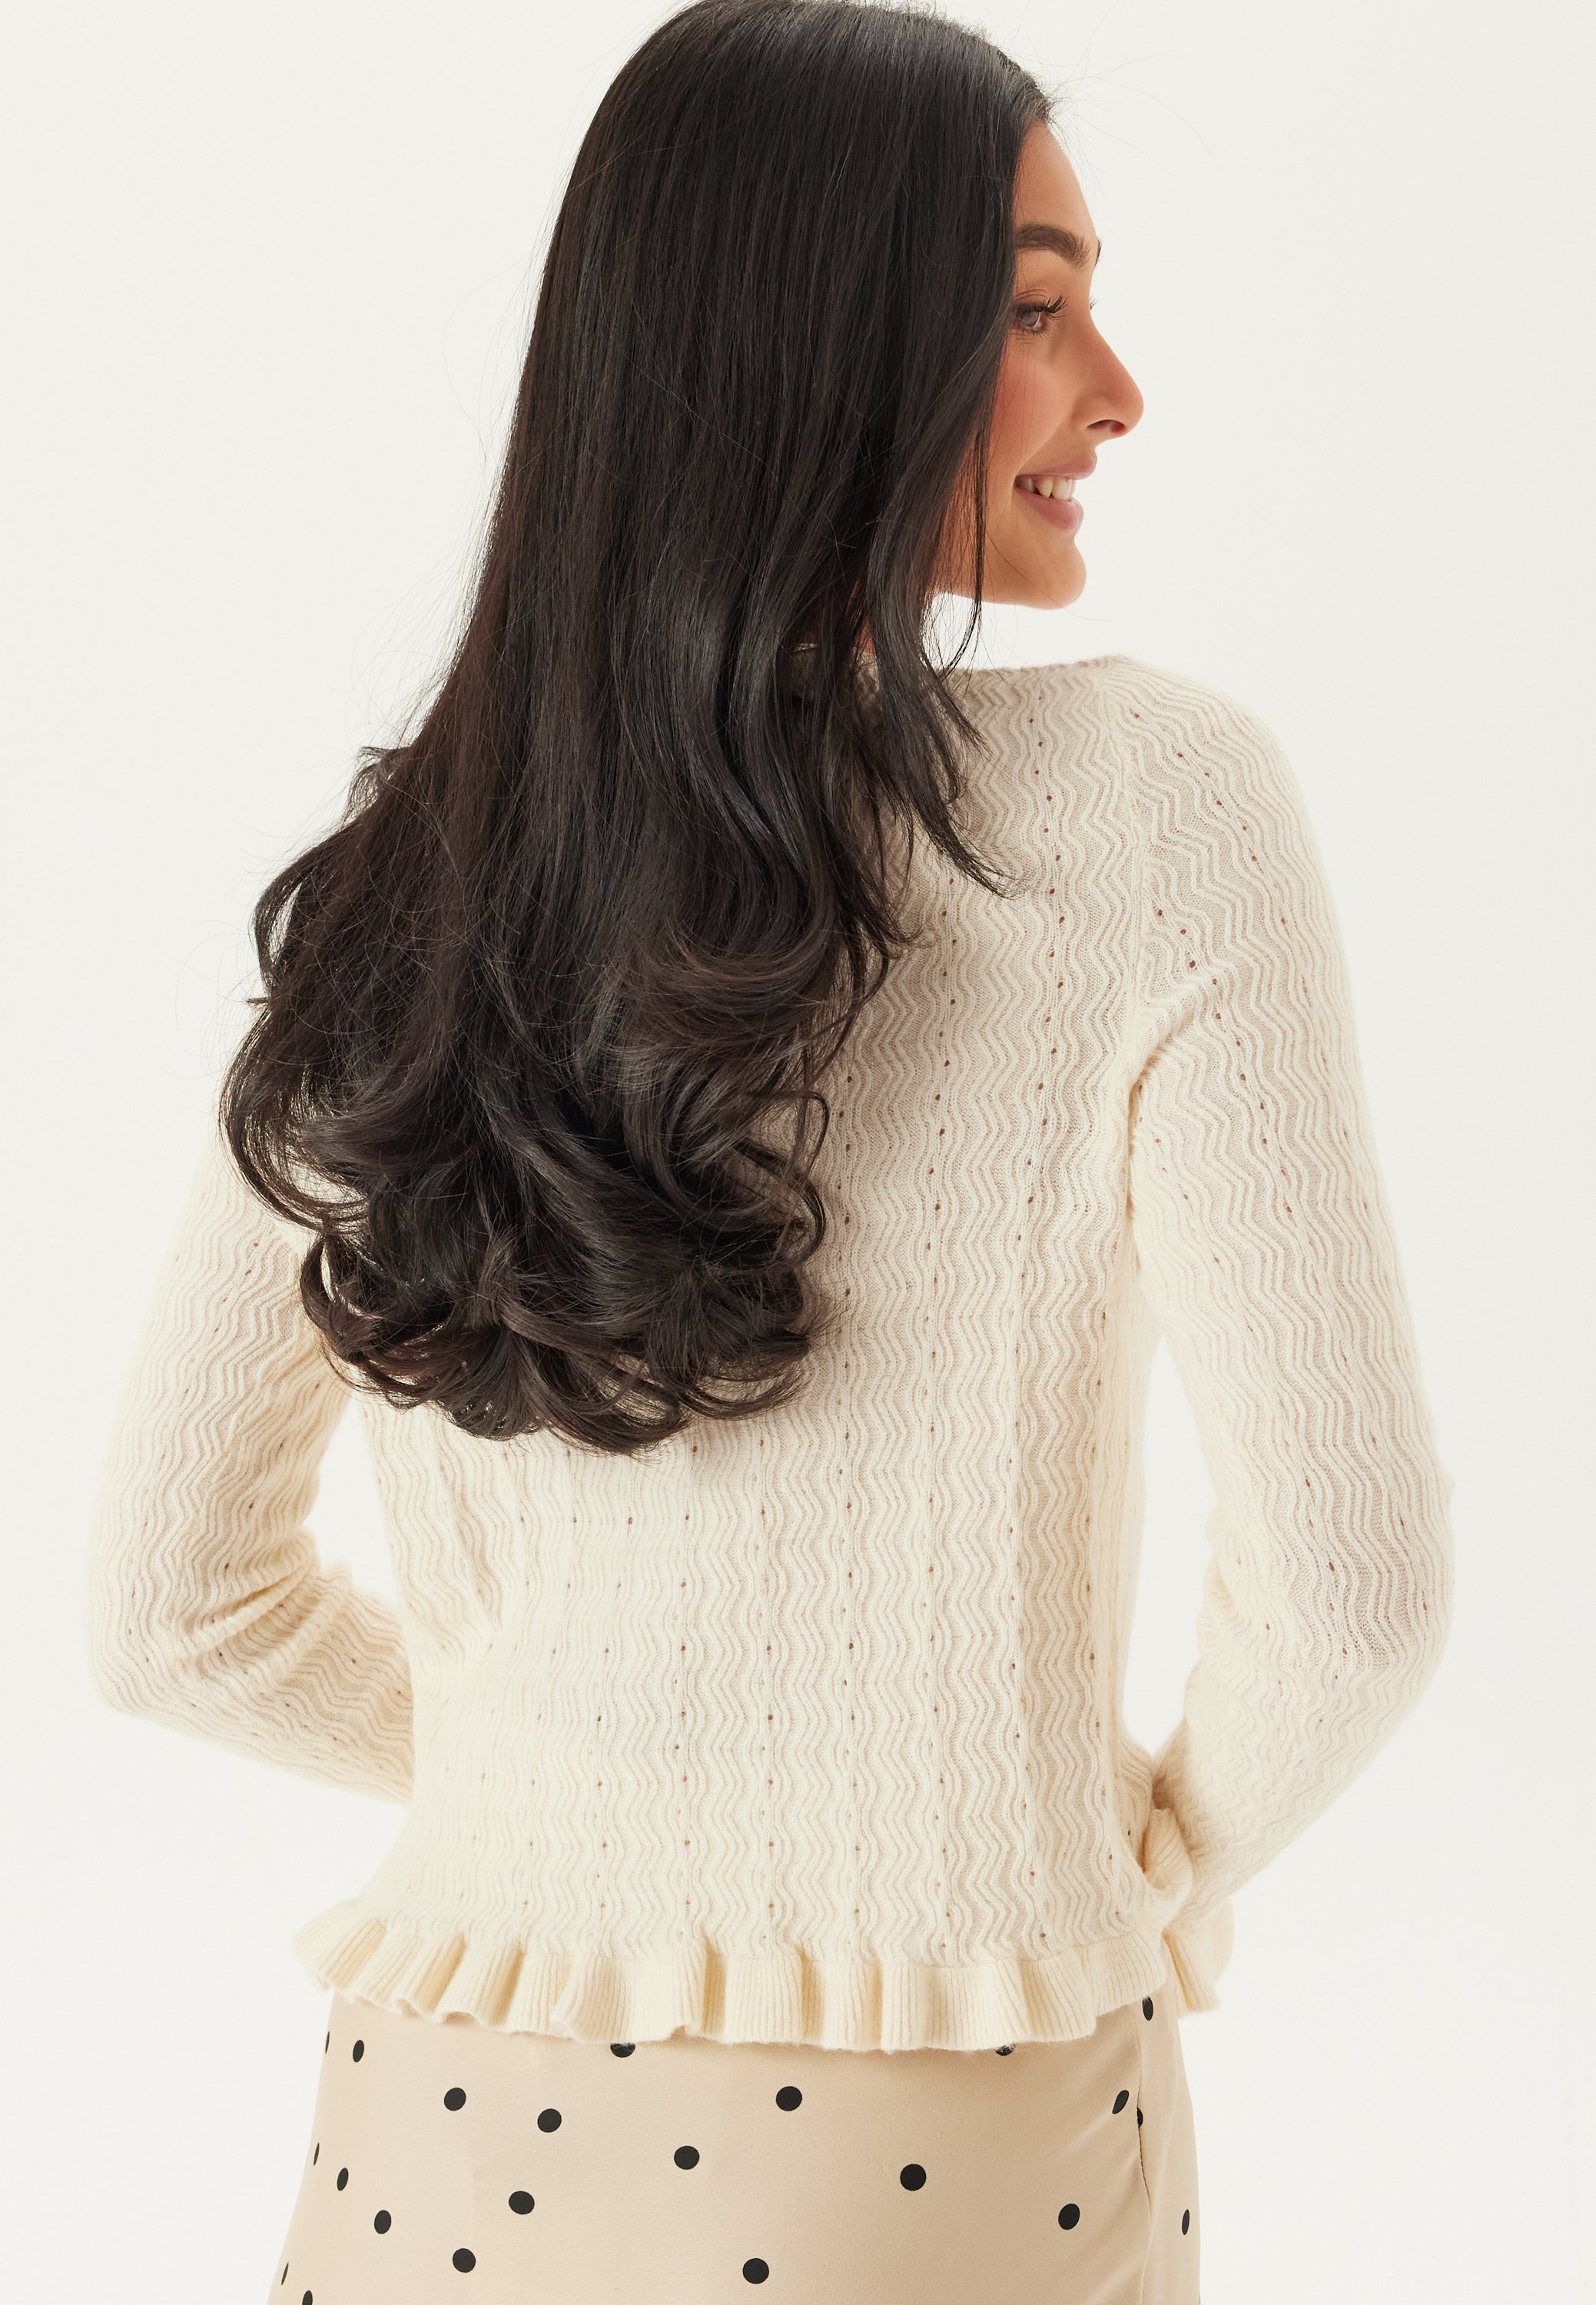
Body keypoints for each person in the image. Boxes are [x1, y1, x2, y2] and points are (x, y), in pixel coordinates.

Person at [81, 3, 1456, 2300]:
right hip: (956, 2111)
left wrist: (575, 1811)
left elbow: (168, 1618)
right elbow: (1357, 1592)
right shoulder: (1158, 806)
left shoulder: (425, 870)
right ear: (823, 352)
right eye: (1035, 312)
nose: (1119, 391)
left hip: (437, 2119)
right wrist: (1110, 1868)